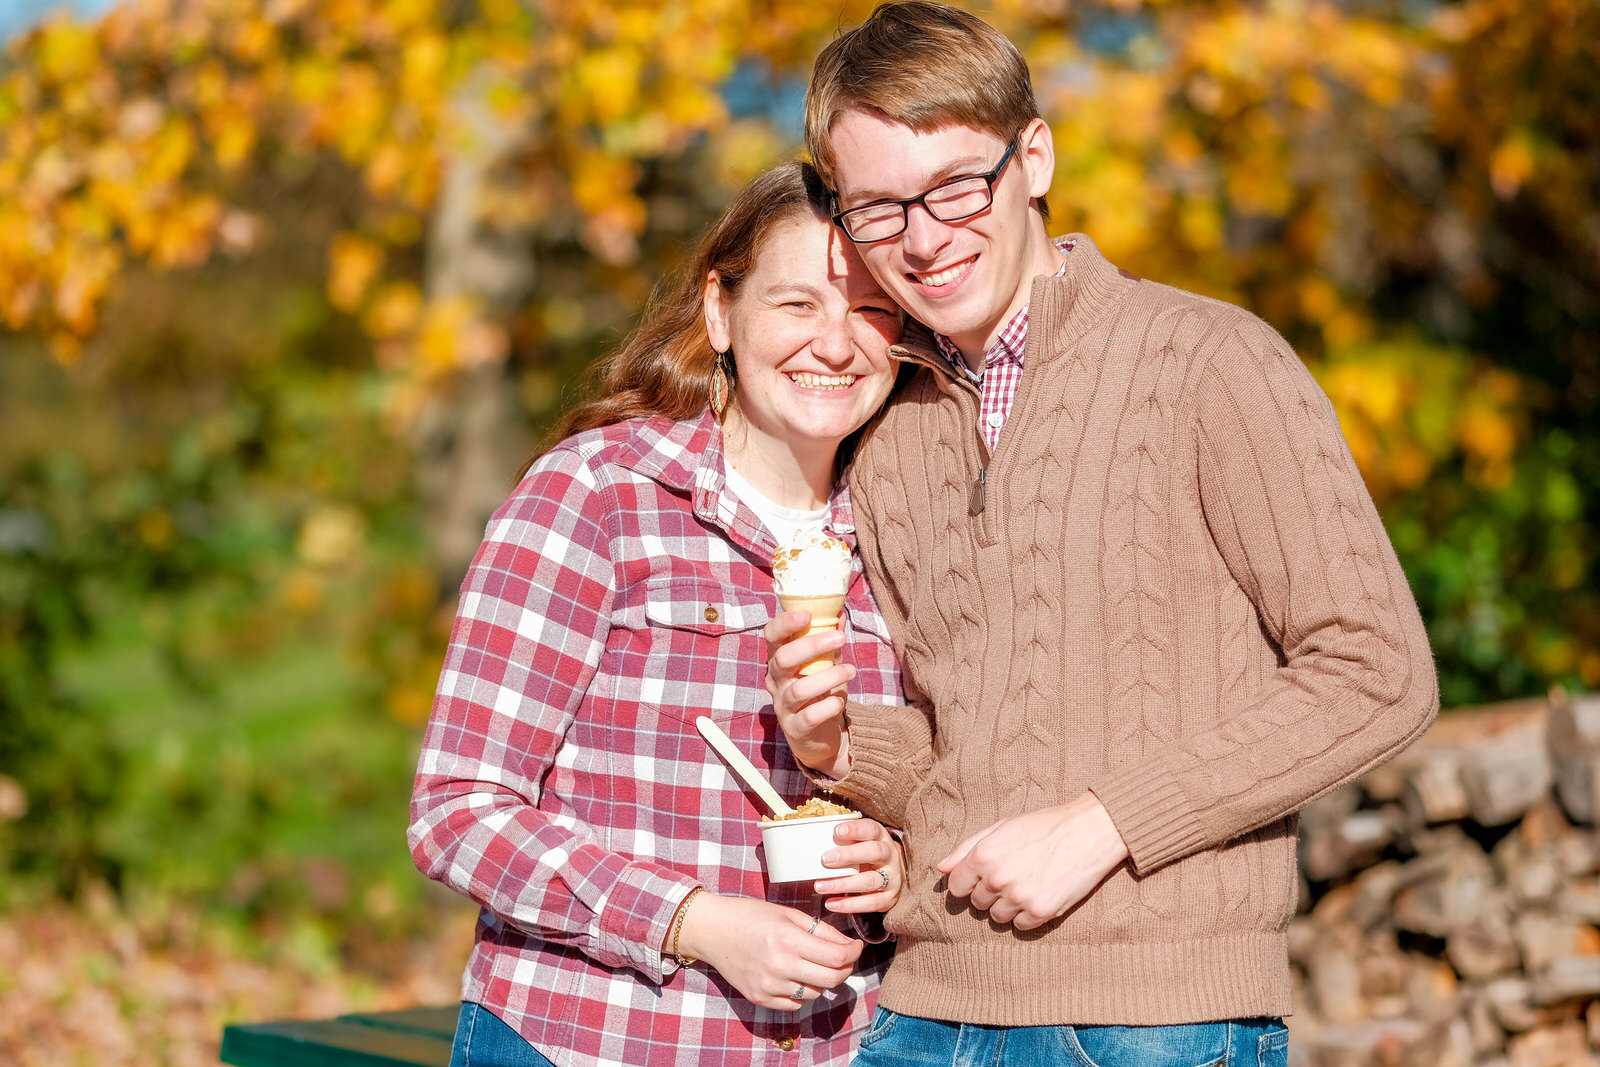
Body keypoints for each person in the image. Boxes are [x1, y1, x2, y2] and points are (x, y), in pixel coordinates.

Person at [765, 3, 1440, 1064]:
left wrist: (1105, 819)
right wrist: (840, 744)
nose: (924, 237)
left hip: (1154, 1024)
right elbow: (960, 752)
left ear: (1032, 155)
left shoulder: (1209, 360)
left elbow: (1377, 672)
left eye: (953, 186)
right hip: (917, 1014)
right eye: (878, 208)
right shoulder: (888, 430)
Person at [409, 160, 910, 1067]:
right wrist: (692, 921)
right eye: (797, 305)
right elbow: (457, 810)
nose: (837, 343)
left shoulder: (908, 545)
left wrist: (893, 873)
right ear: (721, 312)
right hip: (591, 1042)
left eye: (873, 311)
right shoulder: (599, 492)